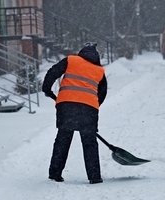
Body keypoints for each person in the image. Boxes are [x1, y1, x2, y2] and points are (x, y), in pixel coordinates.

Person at [42, 42, 107, 184]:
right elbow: (102, 93)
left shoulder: (72, 60)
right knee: (89, 142)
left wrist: (47, 89)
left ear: (82, 53)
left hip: (66, 106)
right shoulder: (99, 70)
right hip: (89, 109)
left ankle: (55, 174)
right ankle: (94, 177)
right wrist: (94, 105)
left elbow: (53, 72)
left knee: (63, 139)